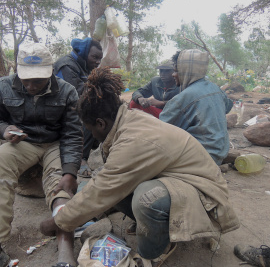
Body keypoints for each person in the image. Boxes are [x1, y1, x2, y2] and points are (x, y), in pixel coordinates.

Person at [40, 67, 239, 267]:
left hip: (205, 196)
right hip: (180, 182)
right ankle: (157, 225)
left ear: (100, 124)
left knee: (147, 198)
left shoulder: (134, 139)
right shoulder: (128, 119)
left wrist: (58, 222)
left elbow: (103, 189)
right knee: (106, 186)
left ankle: (154, 253)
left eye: (90, 129)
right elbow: (107, 182)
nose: (90, 135)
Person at [0, 43, 83, 267]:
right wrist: (4, 130)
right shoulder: (3, 87)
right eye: (25, 79)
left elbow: (73, 135)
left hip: (55, 144)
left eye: (37, 80)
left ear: (50, 72)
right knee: (1, 162)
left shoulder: (67, 91)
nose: (30, 85)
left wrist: (70, 171)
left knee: (60, 184)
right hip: (23, 142)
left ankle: (65, 253)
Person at [159, 49, 233, 165]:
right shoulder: (215, 88)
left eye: (176, 71)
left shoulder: (183, 98)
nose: (173, 75)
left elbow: (160, 131)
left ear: (186, 71)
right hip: (220, 152)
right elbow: (228, 106)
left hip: (203, 157)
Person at [54, 38, 103, 178]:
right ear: (84, 53)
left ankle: (95, 146)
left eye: (100, 58)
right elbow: (74, 94)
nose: (98, 62)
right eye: (95, 57)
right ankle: (81, 159)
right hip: (59, 109)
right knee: (90, 114)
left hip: (72, 105)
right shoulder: (66, 65)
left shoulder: (85, 67)